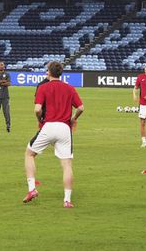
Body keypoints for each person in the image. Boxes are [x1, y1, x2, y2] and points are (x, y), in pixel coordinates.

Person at [23, 61, 83, 208]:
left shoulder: (43, 87)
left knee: (29, 154)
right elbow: (81, 107)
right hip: (64, 128)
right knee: (66, 165)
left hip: (48, 126)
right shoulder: (70, 88)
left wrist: (40, 121)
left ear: (48, 72)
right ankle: (67, 200)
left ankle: (32, 189)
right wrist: (73, 119)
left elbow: (37, 109)